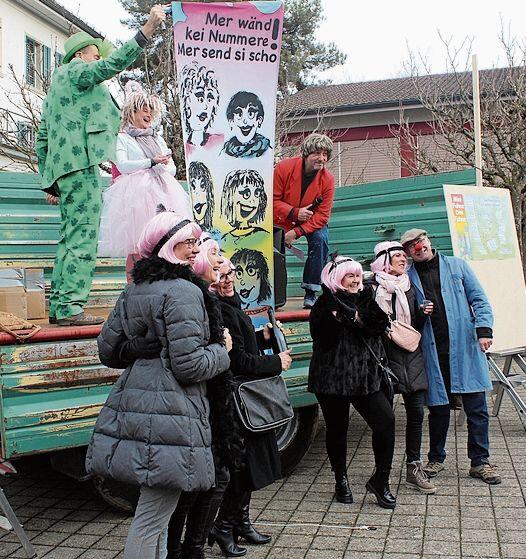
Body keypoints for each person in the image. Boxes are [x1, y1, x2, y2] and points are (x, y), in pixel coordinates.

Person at [85, 211, 232, 559]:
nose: (196, 250)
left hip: (137, 404)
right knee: (152, 518)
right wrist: (221, 350)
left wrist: (139, 348)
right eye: (189, 243)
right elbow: (189, 365)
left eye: (197, 242)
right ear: (167, 246)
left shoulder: (135, 286)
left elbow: (108, 350)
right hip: (172, 413)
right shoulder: (182, 291)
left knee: (155, 514)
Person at [35, 5, 167, 326]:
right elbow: (112, 65)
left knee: (69, 236)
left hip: (67, 169)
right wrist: (146, 30)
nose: (98, 61)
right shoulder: (75, 71)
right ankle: (70, 308)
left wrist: (50, 181)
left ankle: (61, 305)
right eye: (95, 56)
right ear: (82, 55)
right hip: (81, 166)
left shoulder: (57, 88)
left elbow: (42, 137)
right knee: (83, 235)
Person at [401, 228, 501, 485]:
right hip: (433, 351)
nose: (418, 247)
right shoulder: (408, 278)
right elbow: (406, 315)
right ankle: (436, 458)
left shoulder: (457, 266)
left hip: (464, 347)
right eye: (411, 246)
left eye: (420, 241)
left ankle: (480, 462)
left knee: (476, 408)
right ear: (408, 252)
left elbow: (479, 299)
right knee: (438, 408)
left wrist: (484, 331)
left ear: (428, 240)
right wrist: (420, 312)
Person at [166, 236, 243, 559]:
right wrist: (221, 351)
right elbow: (189, 362)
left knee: (216, 478)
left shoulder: (205, 296)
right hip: (197, 403)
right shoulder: (190, 297)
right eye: (214, 254)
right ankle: (181, 549)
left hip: (212, 403)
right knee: (195, 484)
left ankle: (193, 547)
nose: (217, 259)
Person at [209, 259, 293, 556]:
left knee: (253, 467)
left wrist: (267, 336)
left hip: (247, 397)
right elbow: (237, 361)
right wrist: (275, 363)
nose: (228, 279)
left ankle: (240, 523)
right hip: (238, 401)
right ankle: (223, 526)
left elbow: (246, 346)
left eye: (230, 273)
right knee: (245, 470)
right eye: (220, 275)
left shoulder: (231, 304)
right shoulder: (217, 310)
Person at [308, 255, 396, 509]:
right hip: (332, 379)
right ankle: (341, 480)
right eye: (350, 276)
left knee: (386, 421)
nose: (356, 280)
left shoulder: (366, 297)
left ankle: (381, 480)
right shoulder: (324, 303)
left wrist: (356, 317)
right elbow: (321, 339)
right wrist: (337, 319)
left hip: (365, 379)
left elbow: (381, 324)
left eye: (358, 275)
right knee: (337, 430)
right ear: (338, 278)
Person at [370, 241, 436, 494]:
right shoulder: (372, 286)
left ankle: (413, 467)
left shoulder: (409, 285)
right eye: (397, 256)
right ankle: (381, 473)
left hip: (411, 353)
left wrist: (423, 312)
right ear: (384, 260)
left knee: (417, 414)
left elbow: (413, 322)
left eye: (403, 255)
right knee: (383, 420)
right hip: (385, 357)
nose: (403, 259)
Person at [98, 82, 191, 258]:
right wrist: (150, 162)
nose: (148, 114)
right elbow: (123, 165)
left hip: (163, 191)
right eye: (144, 110)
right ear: (132, 113)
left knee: (164, 239)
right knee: (137, 244)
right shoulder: (123, 138)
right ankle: (136, 282)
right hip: (136, 196)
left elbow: (172, 168)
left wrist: (162, 165)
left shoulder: (157, 139)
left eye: (150, 111)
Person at [273, 133, 335, 309]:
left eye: (325, 154)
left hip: (310, 222)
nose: (321, 158)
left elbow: (323, 216)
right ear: (306, 153)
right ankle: (276, 296)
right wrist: (294, 212)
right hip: (283, 218)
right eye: (317, 153)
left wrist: (297, 231)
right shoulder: (283, 168)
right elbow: (271, 201)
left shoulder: (328, 179)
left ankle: (311, 291)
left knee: (320, 239)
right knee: (273, 251)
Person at [179, 62, 222, 155]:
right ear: (186, 100)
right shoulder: (183, 149)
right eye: (200, 98)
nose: (206, 106)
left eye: (210, 98)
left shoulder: (220, 143)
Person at [222, 91, 271, 158]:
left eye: (250, 114)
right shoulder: (225, 152)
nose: (245, 121)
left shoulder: (266, 150)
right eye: (239, 114)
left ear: (259, 120)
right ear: (231, 121)